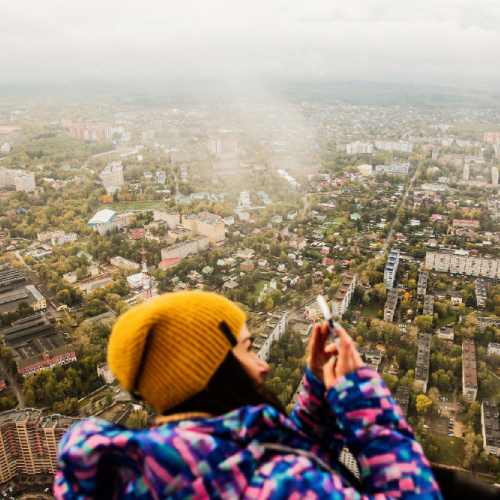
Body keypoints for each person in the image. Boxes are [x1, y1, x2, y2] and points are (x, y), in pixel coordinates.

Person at [54, 291, 441, 498]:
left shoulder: (171, 466)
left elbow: (269, 454)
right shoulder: (274, 485)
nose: (264, 365)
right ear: (210, 370)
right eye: (249, 349)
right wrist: (365, 405)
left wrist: (318, 391)